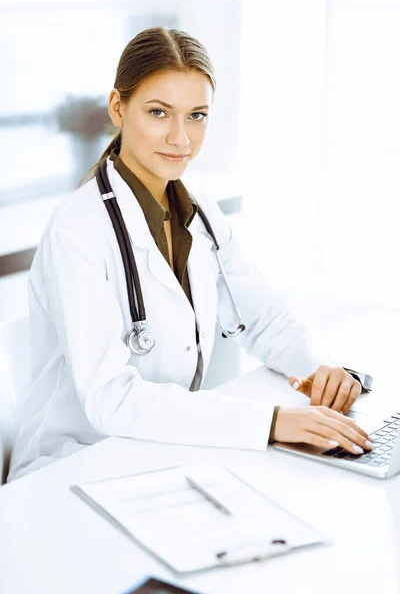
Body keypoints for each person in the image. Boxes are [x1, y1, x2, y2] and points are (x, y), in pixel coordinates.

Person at [8, 27, 373, 481]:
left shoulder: (199, 209)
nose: (181, 138)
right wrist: (272, 423)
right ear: (118, 108)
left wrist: (322, 368)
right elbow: (111, 398)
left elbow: (264, 317)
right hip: (72, 466)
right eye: (159, 112)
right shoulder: (76, 229)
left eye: (197, 115)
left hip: (157, 448)